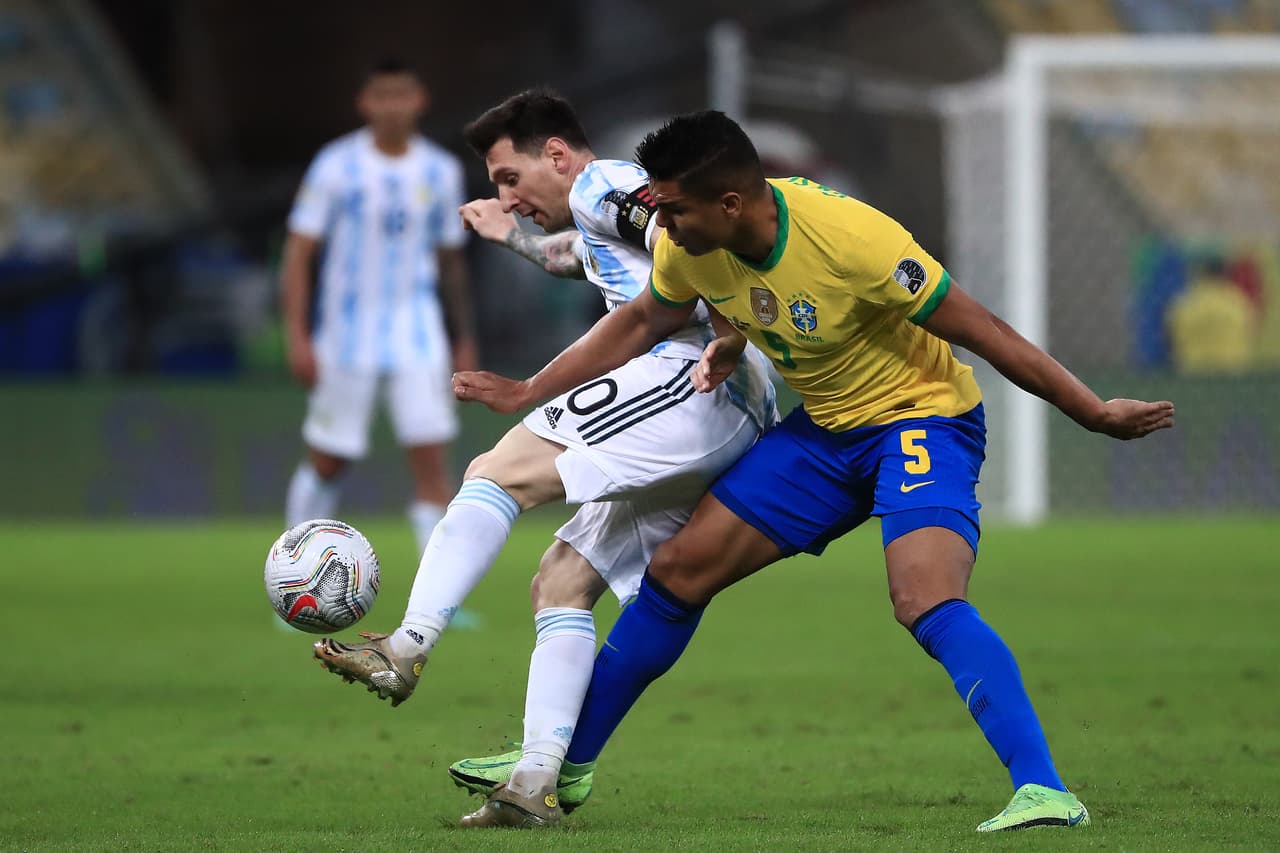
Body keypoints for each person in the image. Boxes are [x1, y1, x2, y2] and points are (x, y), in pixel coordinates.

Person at [452, 111, 1176, 832]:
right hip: (828, 432)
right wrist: (527, 390)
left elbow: (983, 329)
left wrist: (1091, 410)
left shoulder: (851, 237)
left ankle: (1044, 790)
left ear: (730, 204)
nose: (659, 226)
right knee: (679, 569)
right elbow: (641, 321)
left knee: (923, 596)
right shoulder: (688, 243)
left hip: (921, 418)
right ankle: (561, 769)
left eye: (672, 209)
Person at [311, 92, 776, 827]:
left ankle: (406, 645)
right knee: (559, 583)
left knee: (495, 473)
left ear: (557, 155)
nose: (506, 195)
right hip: (721, 402)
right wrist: (511, 235)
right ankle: (533, 784)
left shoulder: (602, 184)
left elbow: (673, 227)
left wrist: (723, 324)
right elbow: (580, 257)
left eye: (507, 177)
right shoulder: (592, 220)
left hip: (690, 376)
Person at [281, 59, 477, 557]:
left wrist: (464, 338)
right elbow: (299, 253)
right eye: (382, 96)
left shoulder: (441, 170)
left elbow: (451, 263)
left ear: (419, 100)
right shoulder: (335, 165)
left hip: (418, 331)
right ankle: (294, 574)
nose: (392, 106)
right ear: (365, 103)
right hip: (348, 335)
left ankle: (438, 599)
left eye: (402, 95)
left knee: (431, 457)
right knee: (329, 458)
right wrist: (297, 334)